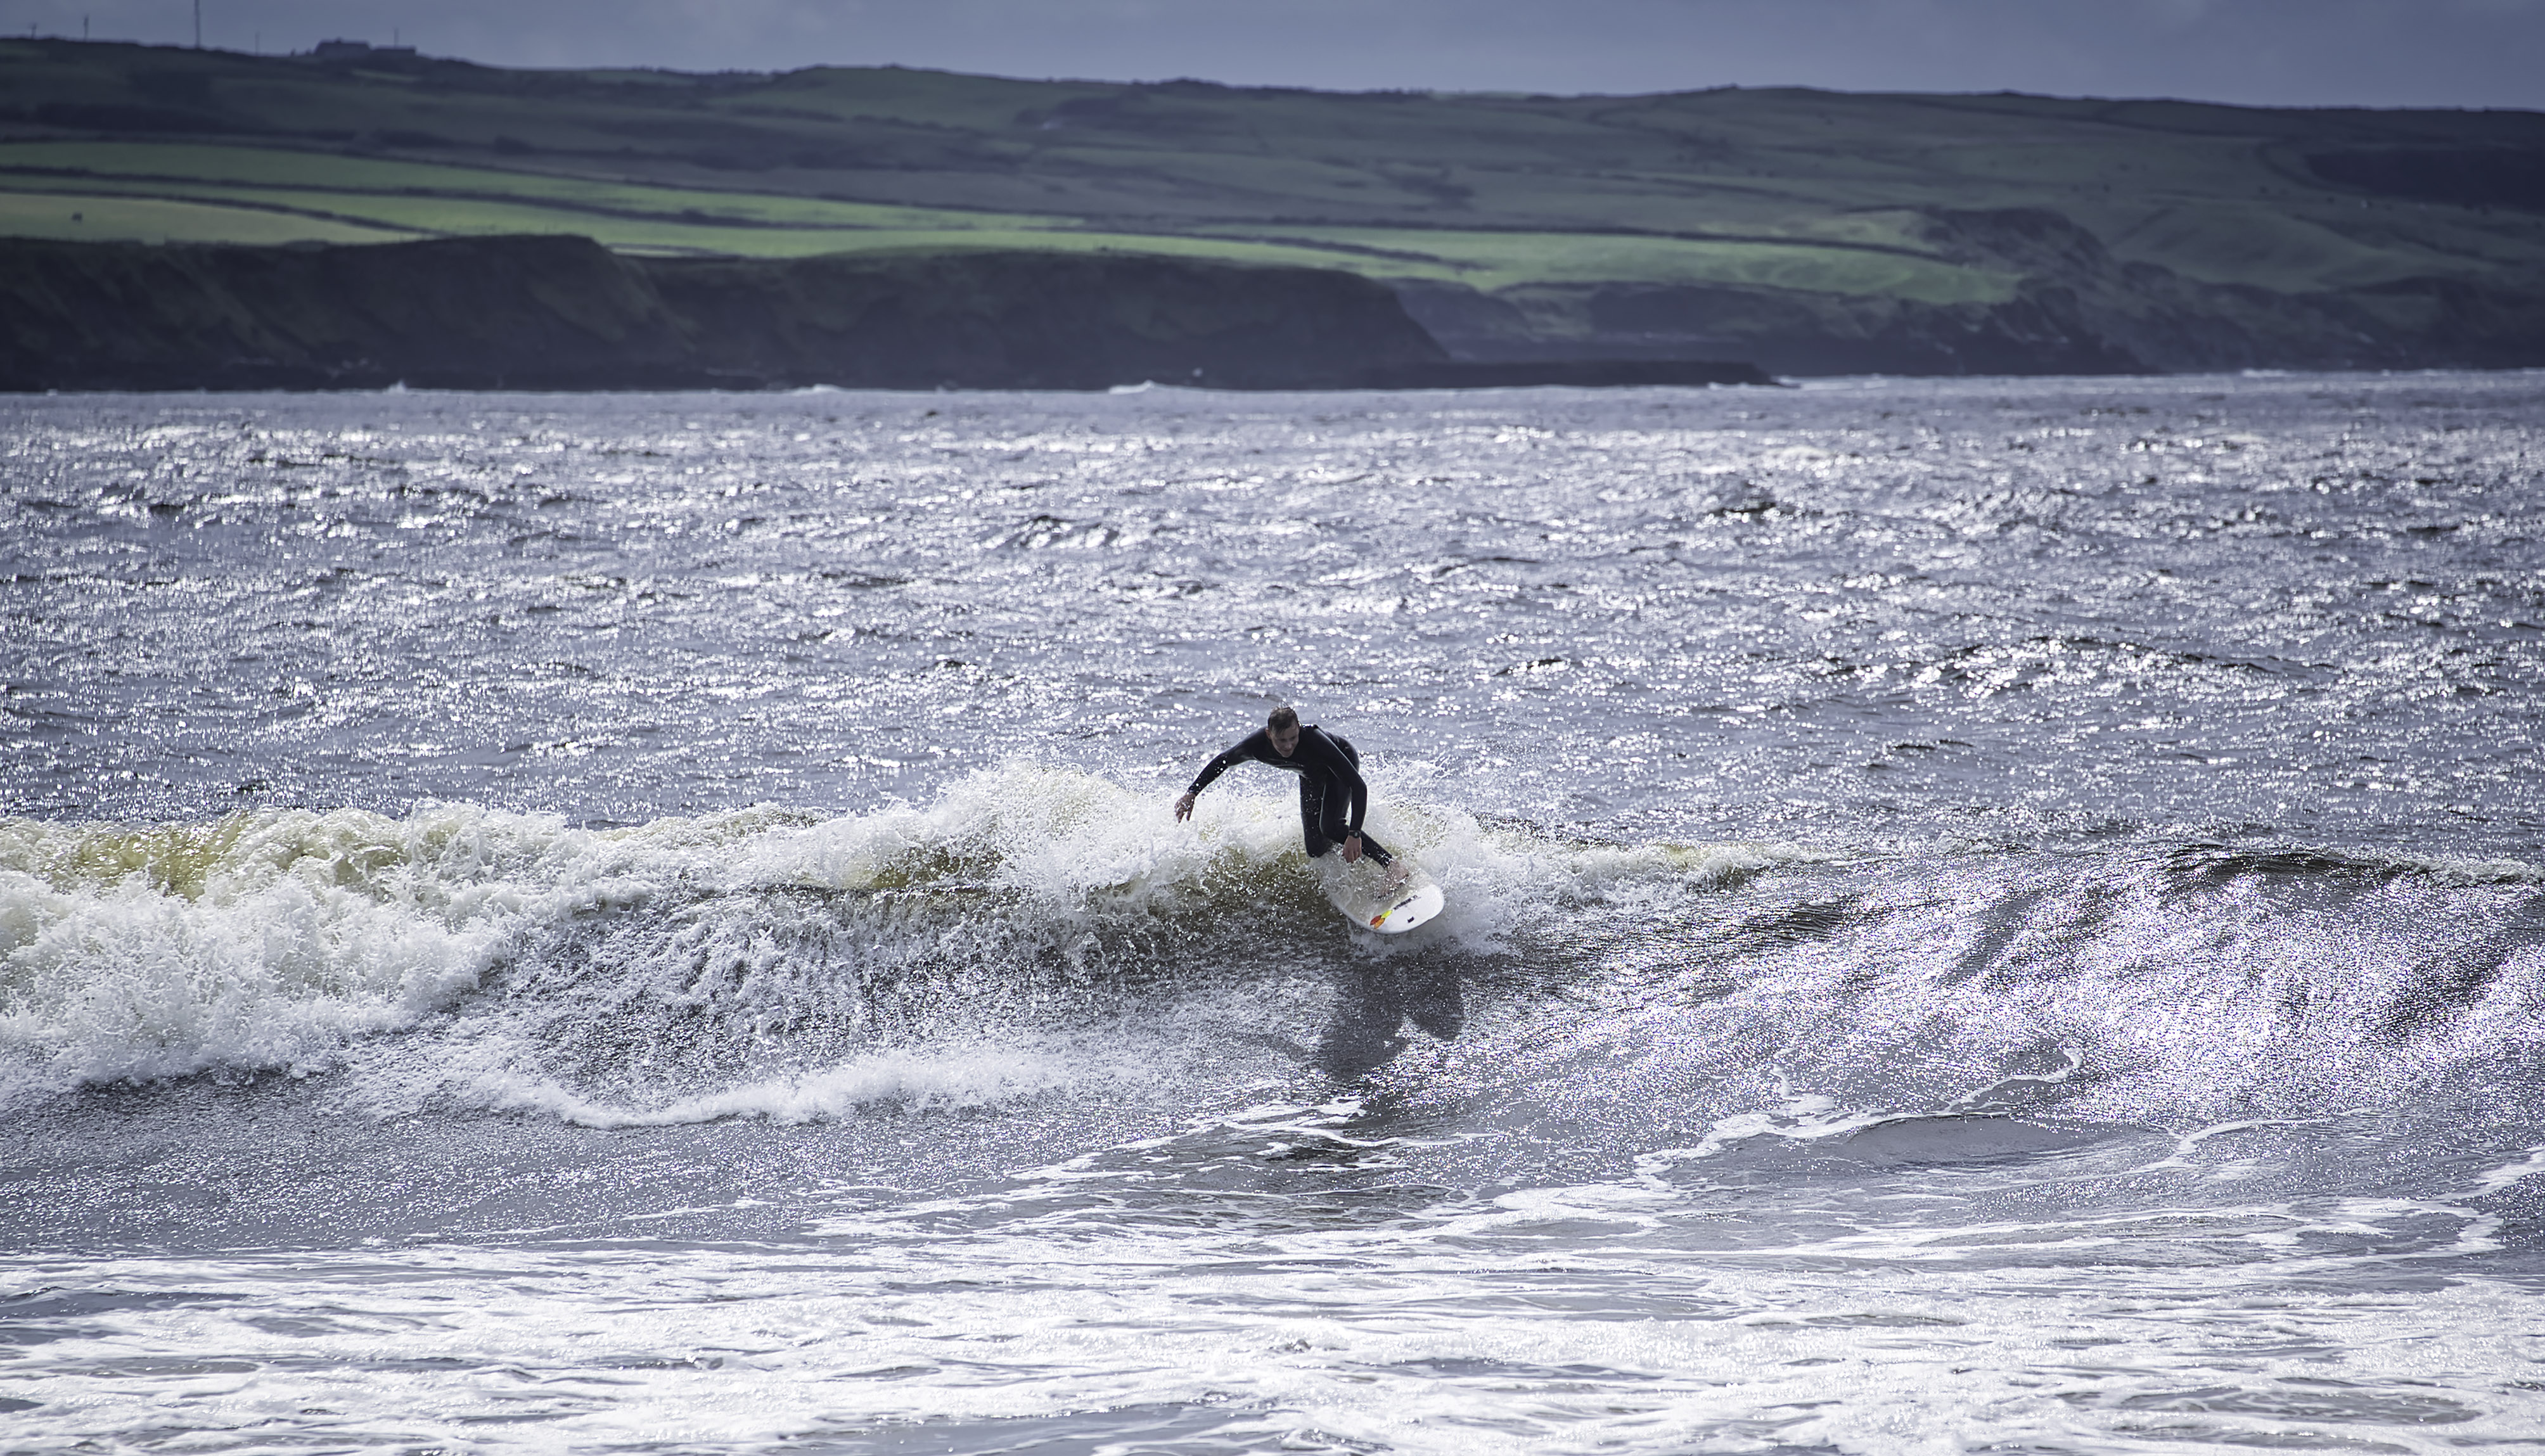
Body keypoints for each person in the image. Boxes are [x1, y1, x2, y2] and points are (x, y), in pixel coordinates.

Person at [1175, 705, 1406, 884]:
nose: (1288, 746)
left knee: (1331, 827)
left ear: (1299, 730)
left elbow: (1359, 786)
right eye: (1281, 740)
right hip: (1310, 776)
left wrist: (1354, 833)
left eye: (1293, 738)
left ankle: (1392, 866)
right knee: (1315, 850)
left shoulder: (1314, 740)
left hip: (1338, 767)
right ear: (1269, 734)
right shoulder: (1254, 746)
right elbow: (1223, 761)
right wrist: (1191, 793)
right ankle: (1349, 850)